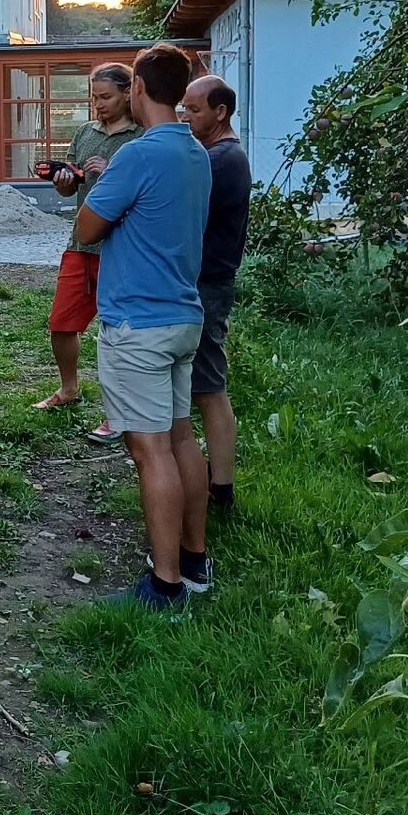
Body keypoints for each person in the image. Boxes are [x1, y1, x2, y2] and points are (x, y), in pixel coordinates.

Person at [75, 43, 212, 609]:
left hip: (138, 323)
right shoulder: (197, 151)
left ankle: (165, 586)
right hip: (183, 316)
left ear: (137, 89)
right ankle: (195, 562)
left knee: (149, 451)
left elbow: (86, 228)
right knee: (181, 439)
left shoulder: (136, 155)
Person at [32, 63, 140, 441]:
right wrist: (64, 181)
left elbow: (143, 187)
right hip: (80, 244)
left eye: (106, 96)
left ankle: (119, 411)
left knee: (118, 336)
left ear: (127, 93)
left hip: (120, 248)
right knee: (61, 323)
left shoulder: (140, 136)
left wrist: (112, 170)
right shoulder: (84, 132)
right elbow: (69, 189)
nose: (98, 104)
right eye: (94, 97)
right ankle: (69, 388)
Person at [179, 76, 252, 510]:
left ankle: (220, 490)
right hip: (205, 280)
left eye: (194, 109)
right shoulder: (218, 155)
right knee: (203, 385)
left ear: (219, 112)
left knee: (208, 387)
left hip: (208, 283)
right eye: (183, 108)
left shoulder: (221, 160)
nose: (185, 116)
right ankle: (213, 484)